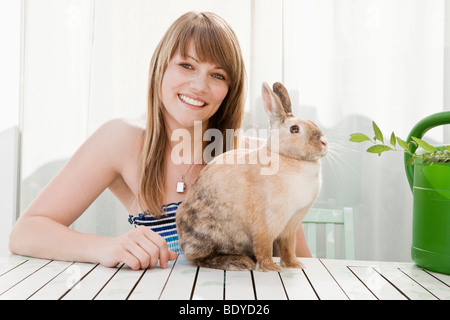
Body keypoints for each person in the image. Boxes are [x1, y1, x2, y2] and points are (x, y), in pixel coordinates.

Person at [9, 11, 311, 271]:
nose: (199, 86)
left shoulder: (258, 156)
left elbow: (300, 261)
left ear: (230, 90)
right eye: (187, 65)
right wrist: (106, 248)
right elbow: (25, 232)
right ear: (161, 67)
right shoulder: (122, 140)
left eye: (217, 75)